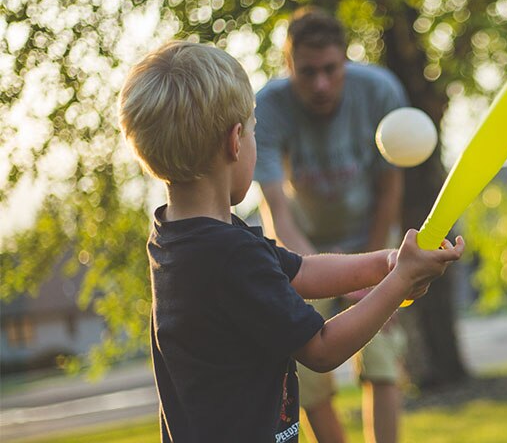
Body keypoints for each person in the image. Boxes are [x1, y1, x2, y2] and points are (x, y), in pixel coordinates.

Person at [117, 41, 464, 442]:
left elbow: (300, 270)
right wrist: (401, 281)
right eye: (253, 131)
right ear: (235, 141)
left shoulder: (177, 237)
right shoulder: (229, 254)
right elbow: (322, 349)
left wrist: (389, 262)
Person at [252, 7, 410, 443]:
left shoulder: (380, 90)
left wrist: (373, 270)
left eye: (330, 69)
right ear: (289, 67)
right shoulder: (266, 107)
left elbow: (389, 193)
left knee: (381, 360)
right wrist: (318, 271)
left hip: (371, 236)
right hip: (302, 246)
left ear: (346, 61)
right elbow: (276, 210)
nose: (320, 83)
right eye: (307, 72)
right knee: (308, 367)